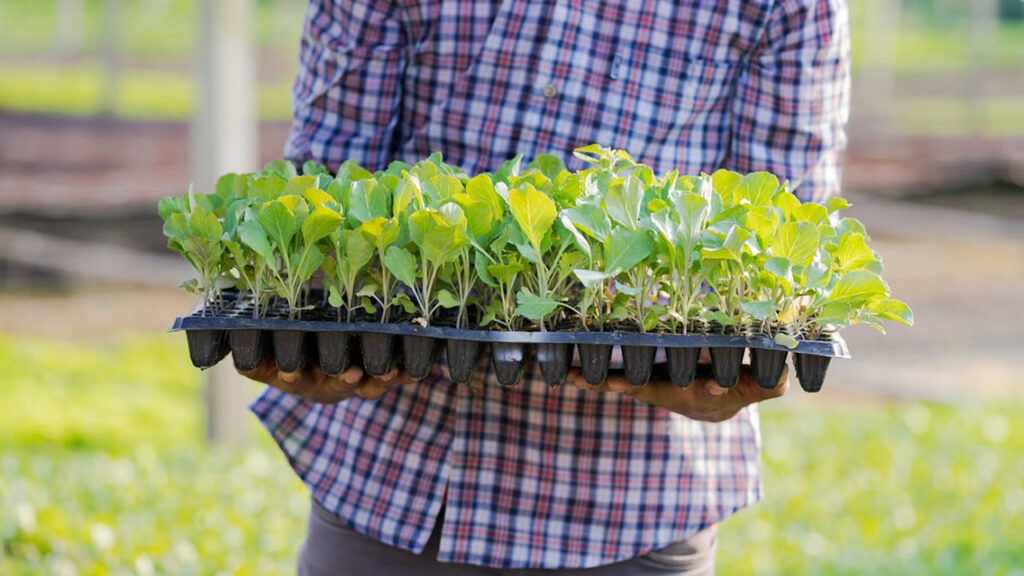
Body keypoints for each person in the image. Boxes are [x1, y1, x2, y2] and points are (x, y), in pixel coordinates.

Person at [241, 0, 849, 574]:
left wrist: (739, 368)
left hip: (635, 507)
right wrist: (311, 337)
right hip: (397, 487)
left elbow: (784, 235)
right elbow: (325, 184)